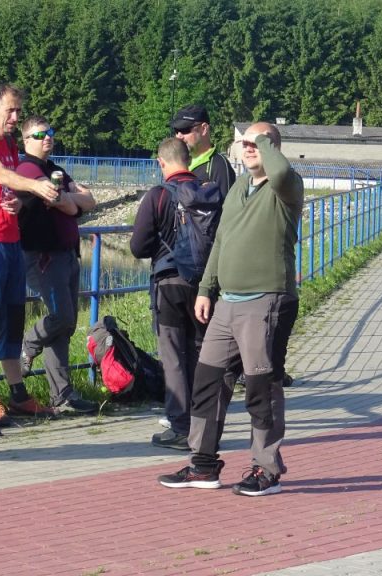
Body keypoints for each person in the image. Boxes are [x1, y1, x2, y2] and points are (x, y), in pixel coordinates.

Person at [157, 122, 302, 497]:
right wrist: (207, 289)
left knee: (261, 386)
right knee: (208, 381)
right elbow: (221, 240)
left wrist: (263, 141)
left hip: (267, 300)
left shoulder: (286, 185)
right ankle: (203, 464)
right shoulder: (239, 187)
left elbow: (279, 171)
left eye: (257, 143)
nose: (249, 148)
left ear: (271, 146)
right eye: (244, 143)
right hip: (227, 303)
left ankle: (266, 469)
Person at [0, 84, 61, 426]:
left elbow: (5, 185)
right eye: (11, 111)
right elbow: (0, 173)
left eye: (19, 111)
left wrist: (18, 201)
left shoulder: (9, 145)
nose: (16, 117)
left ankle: (18, 395)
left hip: (10, 237)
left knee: (13, 317)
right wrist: (34, 186)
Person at [130, 137, 213, 449]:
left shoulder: (158, 195)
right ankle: (205, 425)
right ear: (188, 160)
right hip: (205, 284)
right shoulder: (208, 192)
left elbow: (138, 247)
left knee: (173, 355)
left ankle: (180, 427)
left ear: (161, 162)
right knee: (201, 354)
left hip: (169, 283)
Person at [15, 115, 100, 415]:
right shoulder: (27, 169)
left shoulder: (56, 169)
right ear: (26, 140)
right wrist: (71, 202)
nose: (48, 138)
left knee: (65, 326)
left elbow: (89, 201)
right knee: (62, 317)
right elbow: (54, 196)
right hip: (43, 255)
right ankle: (28, 343)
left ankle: (61, 395)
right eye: (40, 135)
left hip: (67, 254)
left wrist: (69, 201)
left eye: (50, 132)